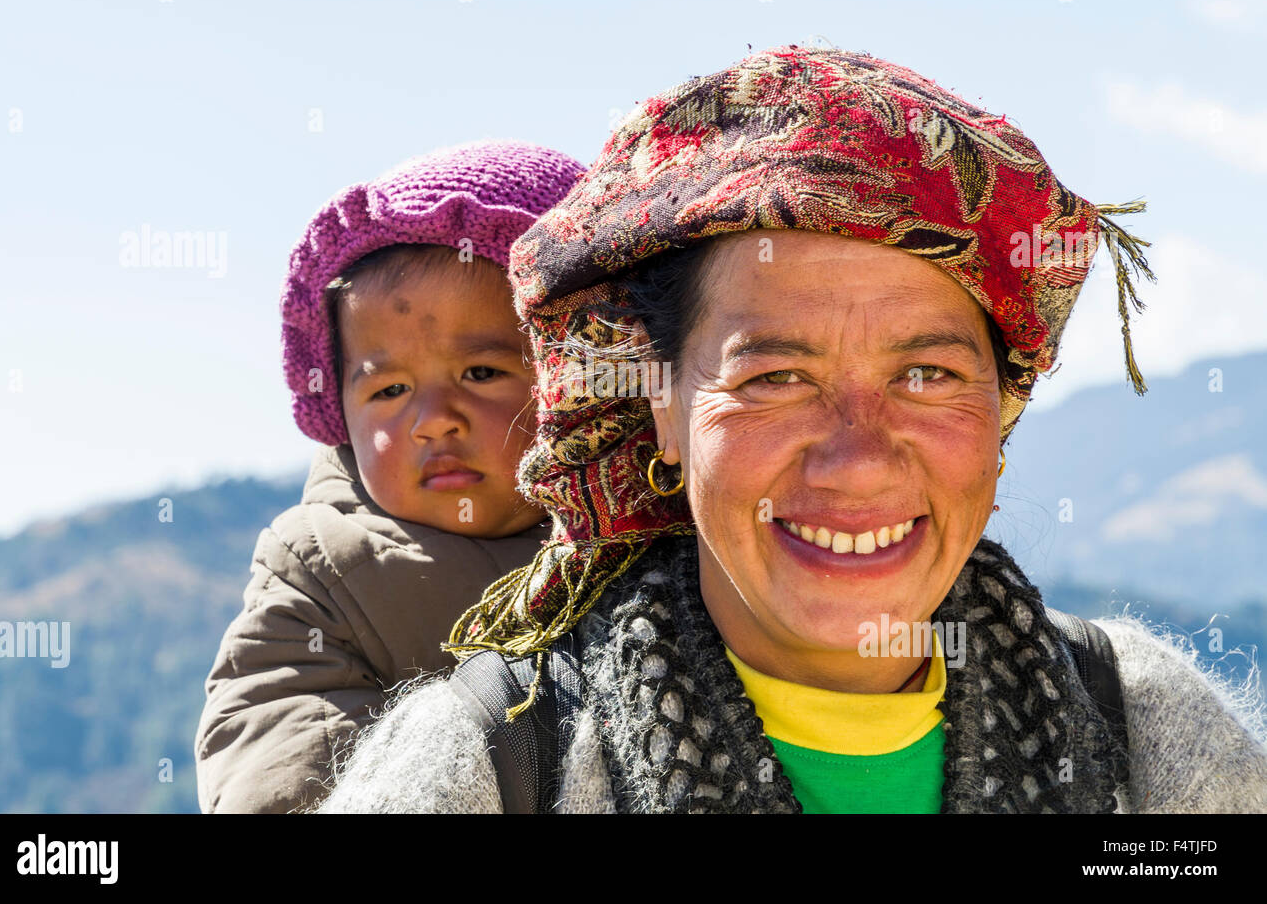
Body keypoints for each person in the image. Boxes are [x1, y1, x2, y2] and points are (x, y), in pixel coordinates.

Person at [316, 47, 1267, 813]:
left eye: (927, 375)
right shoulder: (494, 765)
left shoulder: (1147, 735)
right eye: (776, 378)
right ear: (664, 406)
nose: (856, 460)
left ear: (1001, 410)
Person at [194, 140, 586, 813]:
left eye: (482, 373)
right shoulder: (324, 576)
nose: (433, 421)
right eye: (390, 389)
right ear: (341, 411)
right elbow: (279, 774)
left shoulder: (671, 536)